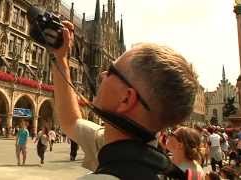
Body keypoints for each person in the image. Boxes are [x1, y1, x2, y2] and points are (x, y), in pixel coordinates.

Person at [51, 21, 198, 179]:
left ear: (126, 99)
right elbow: (71, 122)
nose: (101, 75)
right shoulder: (139, 152)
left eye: (111, 71)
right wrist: (61, 58)